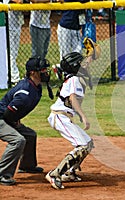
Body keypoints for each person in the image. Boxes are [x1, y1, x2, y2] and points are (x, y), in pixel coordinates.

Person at [45, 52, 94, 190]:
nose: (84, 65)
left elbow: (85, 64)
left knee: (88, 143)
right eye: (80, 63)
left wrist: (92, 55)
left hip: (63, 117)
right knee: (82, 145)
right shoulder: (74, 79)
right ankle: (55, 174)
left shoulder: (73, 77)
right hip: (60, 117)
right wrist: (83, 116)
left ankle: (69, 172)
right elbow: (72, 99)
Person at [0, 57, 52, 186]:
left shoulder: (36, 86)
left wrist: (15, 119)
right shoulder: (25, 91)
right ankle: (2, 173)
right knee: (18, 140)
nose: (46, 72)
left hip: (7, 117)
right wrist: (14, 122)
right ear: (33, 72)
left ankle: (27, 166)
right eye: (43, 70)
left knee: (30, 135)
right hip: (2, 118)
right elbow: (8, 113)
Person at [4, 0, 24, 85]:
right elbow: (19, 1)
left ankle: (11, 75)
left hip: (16, 24)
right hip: (9, 25)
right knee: (11, 53)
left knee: (14, 53)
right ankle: (14, 78)